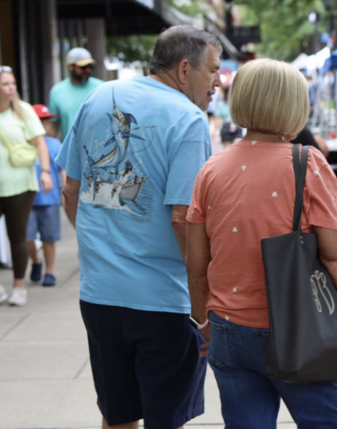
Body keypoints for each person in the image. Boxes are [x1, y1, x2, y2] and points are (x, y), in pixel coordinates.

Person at [186, 58, 337, 429]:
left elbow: (197, 266)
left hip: (228, 331)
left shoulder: (211, 169)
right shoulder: (307, 163)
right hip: (299, 330)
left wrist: (204, 322)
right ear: (294, 105)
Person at [57, 26, 222, 429]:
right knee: (165, 418)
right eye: (213, 71)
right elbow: (184, 218)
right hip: (163, 301)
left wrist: (99, 249)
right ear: (185, 69)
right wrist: (203, 311)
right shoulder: (189, 119)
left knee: (117, 415)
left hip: (99, 295)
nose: (218, 82)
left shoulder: (98, 97)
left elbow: (70, 189)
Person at [0, 67, 52, 309]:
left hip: (20, 185)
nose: (11, 88)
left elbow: (40, 143)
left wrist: (45, 172)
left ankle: (18, 287)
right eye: (5, 84)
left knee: (17, 236)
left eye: (13, 83)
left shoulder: (24, 111)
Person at [26, 104, 65, 287]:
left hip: (49, 200)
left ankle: (49, 272)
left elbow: (62, 170)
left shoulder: (55, 144)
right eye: (41, 121)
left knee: (49, 237)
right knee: (27, 237)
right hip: (26, 199)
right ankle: (36, 261)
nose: (45, 125)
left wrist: (66, 192)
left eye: (47, 121)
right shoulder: (24, 143)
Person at [48, 47, 104, 140]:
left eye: (90, 66)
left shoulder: (101, 87)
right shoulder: (57, 91)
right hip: (70, 151)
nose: (88, 70)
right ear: (70, 66)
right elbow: (53, 126)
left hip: (99, 149)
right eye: (83, 67)